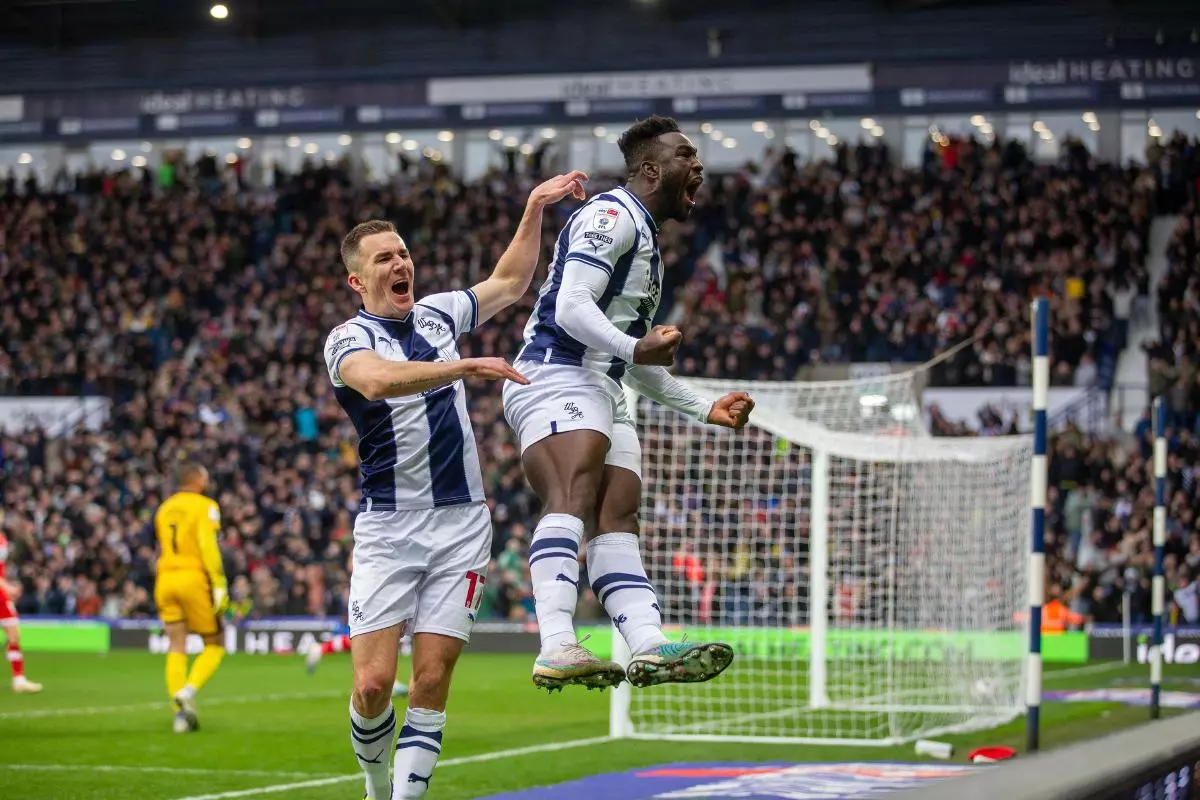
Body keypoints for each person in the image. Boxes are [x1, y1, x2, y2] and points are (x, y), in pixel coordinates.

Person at [324, 171, 587, 800]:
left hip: (462, 524)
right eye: (385, 258)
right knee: (370, 686)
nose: (400, 263)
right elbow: (378, 383)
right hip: (389, 527)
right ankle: (374, 784)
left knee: (431, 680)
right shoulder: (347, 339)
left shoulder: (439, 311)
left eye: (404, 253)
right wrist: (465, 365)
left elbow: (509, 282)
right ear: (359, 281)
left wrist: (532, 209)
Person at [502, 116, 754, 692]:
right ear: (650, 169)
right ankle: (557, 643)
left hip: (604, 385)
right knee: (573, 494)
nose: (698, 166)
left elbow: (631, 359)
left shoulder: (645, 237)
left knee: (619, 516)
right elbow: (570, 307)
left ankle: (647, 642)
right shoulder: (610, 215)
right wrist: (633, 344)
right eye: (685, 155)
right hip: (556, 372)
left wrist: (702, 406)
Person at [152, 462, 228, 733]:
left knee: (176, 646)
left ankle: (181, 716)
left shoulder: (165, 508)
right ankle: (188, 690)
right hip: (193, 578)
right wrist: (218, 582)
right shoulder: (204, 505)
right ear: (197, 479)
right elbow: (207, 545)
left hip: (165, 579)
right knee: (215, 644)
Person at [0, 531, 42, 694]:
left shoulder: (2, 538)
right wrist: (7, 586)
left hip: (1, 594)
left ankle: (19, 680)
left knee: (14, 634)